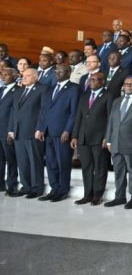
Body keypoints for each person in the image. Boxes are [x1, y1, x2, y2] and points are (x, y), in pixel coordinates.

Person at [35, 64, 80, 202]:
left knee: (63, 163)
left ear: (68, 73)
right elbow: (44, 111)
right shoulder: (51, 88)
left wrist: (67, 130)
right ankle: (54, 189)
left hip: (62, 133)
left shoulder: (74, 88)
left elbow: (74, 112)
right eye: (56, 71)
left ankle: (63, 190)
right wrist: (41, 128)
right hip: (48, 132)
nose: (57, 73)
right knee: (51, 163)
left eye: (61, 71)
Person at [104, 77, 132, 209]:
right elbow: (111, 121)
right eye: (126, 84)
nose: (128, 86)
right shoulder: (117, 101)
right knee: (118, 171)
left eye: (131, 84)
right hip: (116, 143)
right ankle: (120, 197)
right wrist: (109, 139)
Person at [70, 72, 112, 205]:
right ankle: (87, 194)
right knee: (86, 167)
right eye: (90, 80)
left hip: (99, 138)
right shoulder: (84, 95)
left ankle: (97, 195)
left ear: (102, 82)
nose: (91, 82)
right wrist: (75, 136)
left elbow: (110, 118)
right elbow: (78, 117)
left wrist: (107, 136)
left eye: (95, 80)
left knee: (100, 167)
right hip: (83, 137)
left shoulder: (108, 95)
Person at [7, 68, 46, 198]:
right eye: (23, 76)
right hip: (18, 132)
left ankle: (37, 188)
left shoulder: (42, 89)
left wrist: (40, 128)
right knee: (22, 161)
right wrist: (11, 129)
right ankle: (26, 186)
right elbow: (14, 111)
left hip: (33, 131)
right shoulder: (19, 91)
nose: (24, 78)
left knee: (35, 161)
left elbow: (44, 111)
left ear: (35, 77)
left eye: (27, 76)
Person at [0, 68, 20, 195]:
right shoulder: (1, 89)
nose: (3, 77)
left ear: (15, 76)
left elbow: (15, 113)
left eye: (6, 75)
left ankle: (12, 186)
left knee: (11, 159)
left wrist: (11, 130)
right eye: (2, 74)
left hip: (7, 131)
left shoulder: (18, 90)